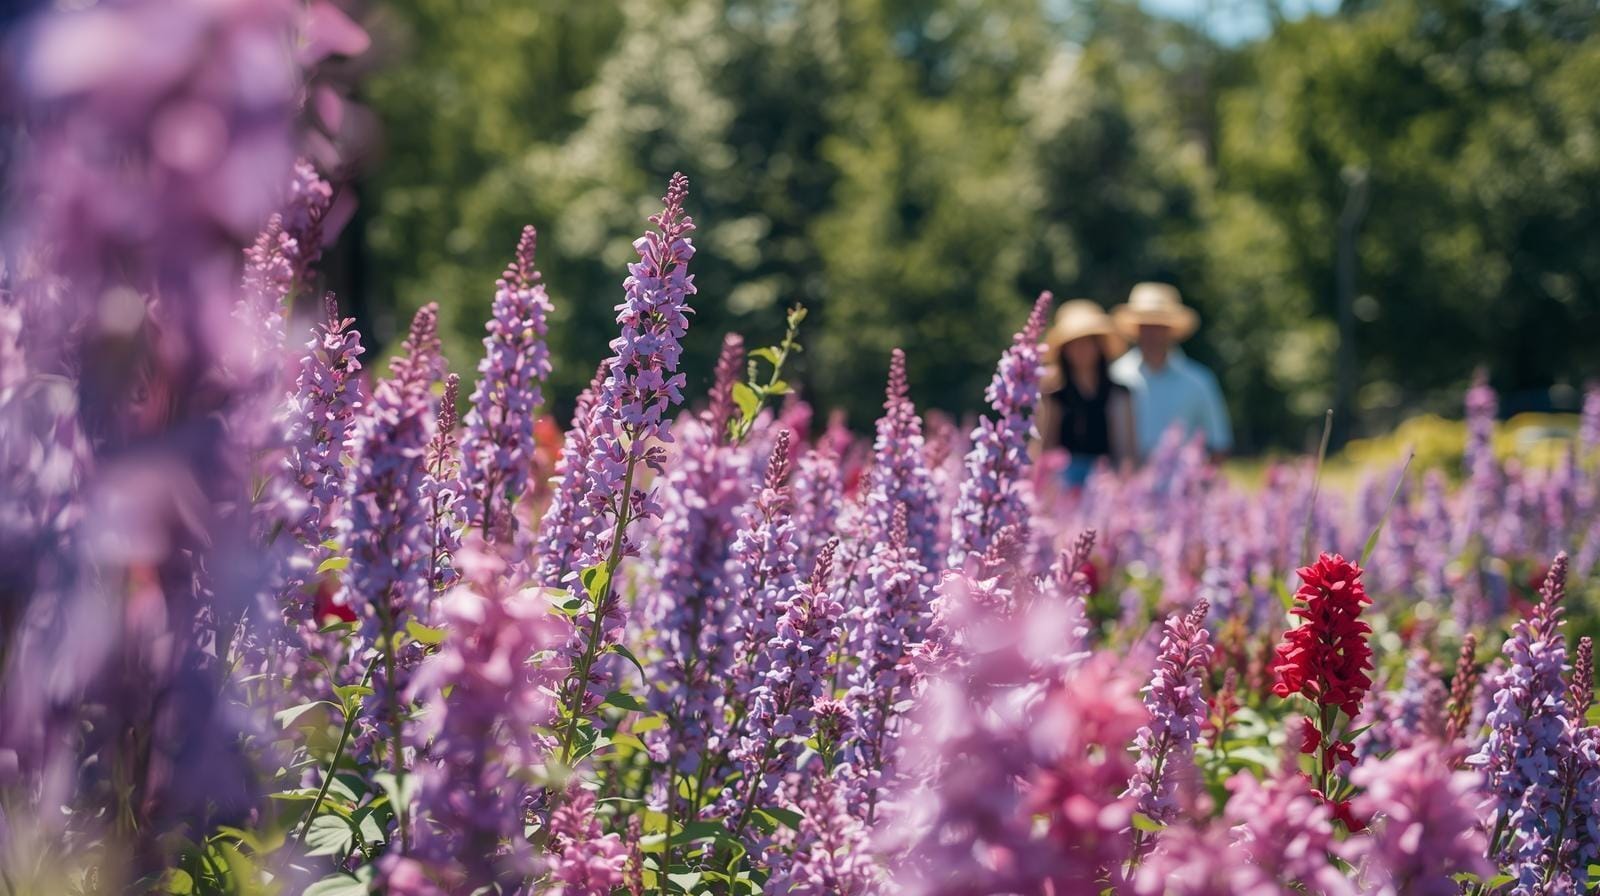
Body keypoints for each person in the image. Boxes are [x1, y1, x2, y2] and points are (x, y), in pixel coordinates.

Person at [1109, 282, 1232, 460]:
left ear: (1171, 330)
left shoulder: (1198, 381)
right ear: (1136, 329)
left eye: (1159, 327)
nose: (1152, 334)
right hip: (1128, 481)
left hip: (1182, 482)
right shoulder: (1117, 375)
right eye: (1146, 326)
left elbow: (1218, 444)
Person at [1036, 299, 1137, 488]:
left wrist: (1123, 483)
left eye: (1088, 342)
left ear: (1100, 346)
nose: (1082, 349)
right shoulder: (1053, 393)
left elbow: (1126, 450)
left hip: (1105, 477)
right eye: (1075, 343)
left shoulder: (1119, 393)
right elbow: (1045, 446)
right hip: (1063, 478)